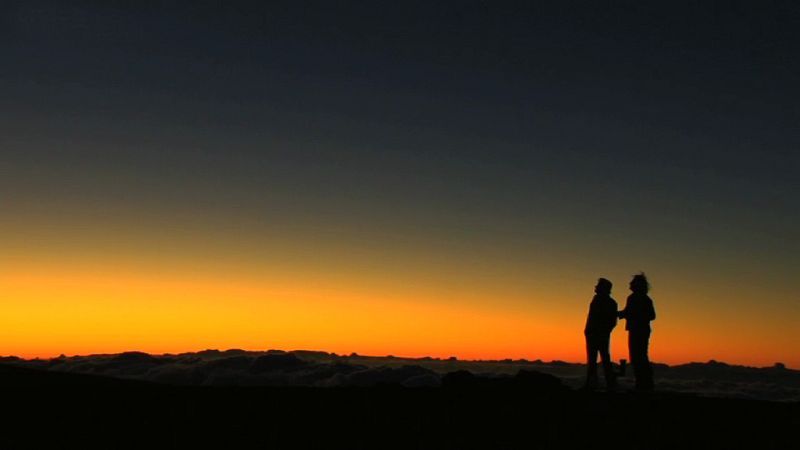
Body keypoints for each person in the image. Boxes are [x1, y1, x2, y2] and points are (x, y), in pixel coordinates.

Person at [618, 273, 656, 391]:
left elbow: (651, 315)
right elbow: (628, 312)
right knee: (639, 356)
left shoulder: (636, 298)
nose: (630, 284)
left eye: (632, 283)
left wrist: (628, 315)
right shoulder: (643, 298)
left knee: (638, 357)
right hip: (640, 330)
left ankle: (643, 384)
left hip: (638, 330)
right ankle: (644, 383)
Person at [583, 277, 618, 390]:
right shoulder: (604, 301)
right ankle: (599, 383)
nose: (596, 287)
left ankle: (599, 384)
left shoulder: (606, 302)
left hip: (597, 334)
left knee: (600, 359)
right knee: (600, 359)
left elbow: (612, 321)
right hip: (594, 333)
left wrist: (602, 331)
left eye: (598, 285)